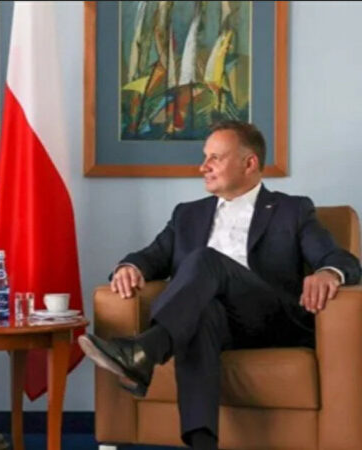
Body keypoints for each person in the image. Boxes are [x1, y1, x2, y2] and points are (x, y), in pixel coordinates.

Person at [78, 121, 361, 450]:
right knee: (202, 316)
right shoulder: (187, 215)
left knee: (203, 260)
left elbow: (342, 259)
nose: (203, 167)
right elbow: (150, 256)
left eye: (215, 157)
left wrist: (328, 272)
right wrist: (129, 267)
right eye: (204, 157)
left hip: (270, 320)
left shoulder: (292, 209)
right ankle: (202, 442)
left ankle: (145, 349)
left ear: (249, 163)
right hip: (212, 320)